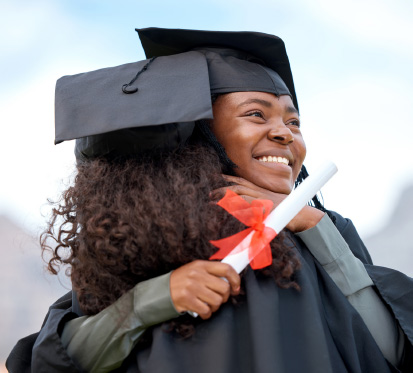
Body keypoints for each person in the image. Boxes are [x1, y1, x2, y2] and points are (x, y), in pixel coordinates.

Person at [7, 28, 413, 373]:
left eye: (293, 121)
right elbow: (63, 360)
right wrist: (154, 299)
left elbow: (393, 351)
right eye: (256, 114)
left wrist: (317, 230)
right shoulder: (146, 226)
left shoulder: (326, 228)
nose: (285, 133)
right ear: (203, 133)